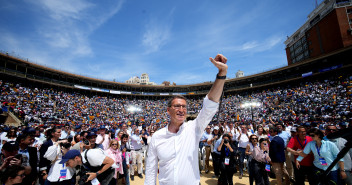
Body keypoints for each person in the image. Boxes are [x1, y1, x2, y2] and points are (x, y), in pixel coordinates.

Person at [145, 54, 228, 185]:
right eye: (177, 106)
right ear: (168, 110)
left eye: (184, 106)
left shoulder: (194, 128)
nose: (181, 109)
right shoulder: (157, 137)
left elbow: (210, 105)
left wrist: (222, 74)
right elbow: (151, 169)